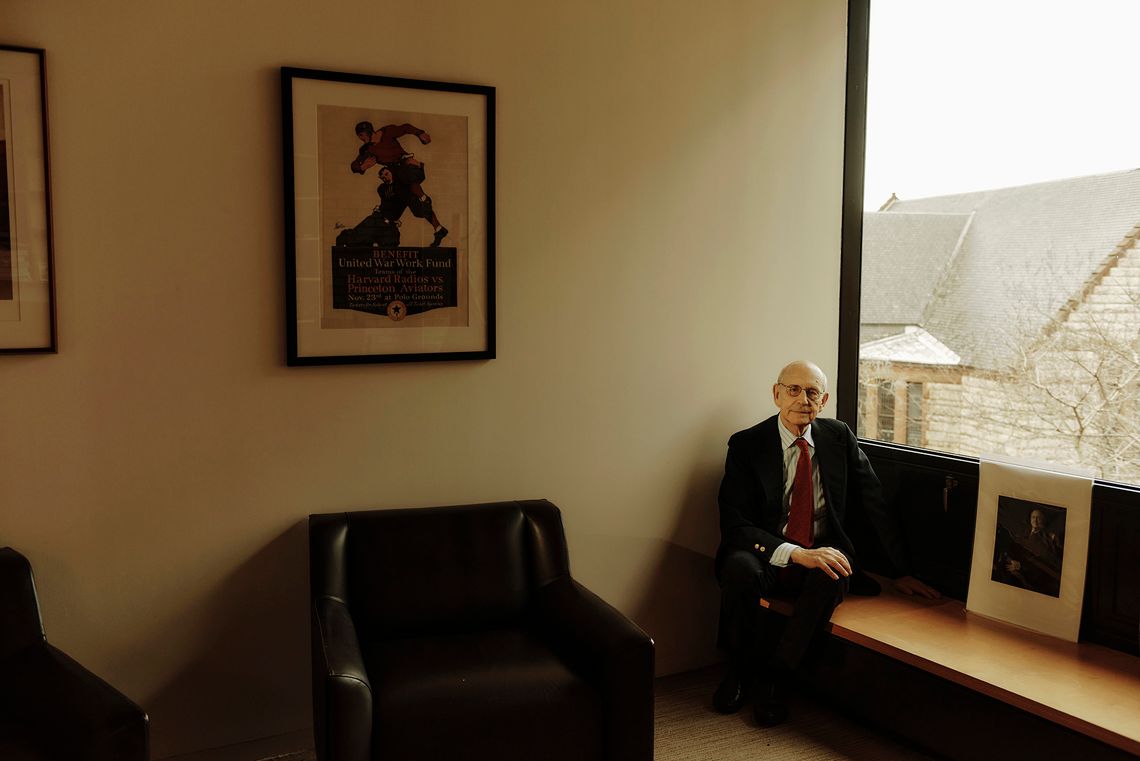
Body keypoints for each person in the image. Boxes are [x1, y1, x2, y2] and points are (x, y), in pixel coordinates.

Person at [714, 360, 940, 726]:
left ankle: (776, 679)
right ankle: (738, 671)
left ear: (824, 400)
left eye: (812, 392)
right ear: (776, 394)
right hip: (770, 553)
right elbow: (735, 525)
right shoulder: (746, 445)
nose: (802, 399)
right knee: (738, 569)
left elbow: (874, 503)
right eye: (793, 390)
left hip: (821, 550)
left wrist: (899, 572)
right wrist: (795, 554)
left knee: (834, 570)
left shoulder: (838, 437)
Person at [350, 121, 449, 247]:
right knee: (419, 209)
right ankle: (439, 229)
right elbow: (353, 166)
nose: (361, 139)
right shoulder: (368, 149)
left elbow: (405, 128)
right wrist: (362, 167)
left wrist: (420, 133)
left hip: (408, 168)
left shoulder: (386, 132)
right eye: (359, 137)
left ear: (369, 132)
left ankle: (424, 198)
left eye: (362, 135)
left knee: (405, 170)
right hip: (397, 180)